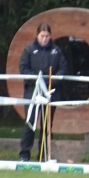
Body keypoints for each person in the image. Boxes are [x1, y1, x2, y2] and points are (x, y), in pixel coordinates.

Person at [18, 22, 68, 162]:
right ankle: (24, 154)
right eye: (42, 36)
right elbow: (23, 68)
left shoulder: (56, 51)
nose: (44, 39)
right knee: (30, 122)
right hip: (32, 91)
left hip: (50, 92)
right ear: (37, 35)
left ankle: (44, 154)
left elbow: (63, 69)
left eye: (47, 36)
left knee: (47, 125)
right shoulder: (29, 50)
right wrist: (37, 81)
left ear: (50, 36)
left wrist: (51, 82)